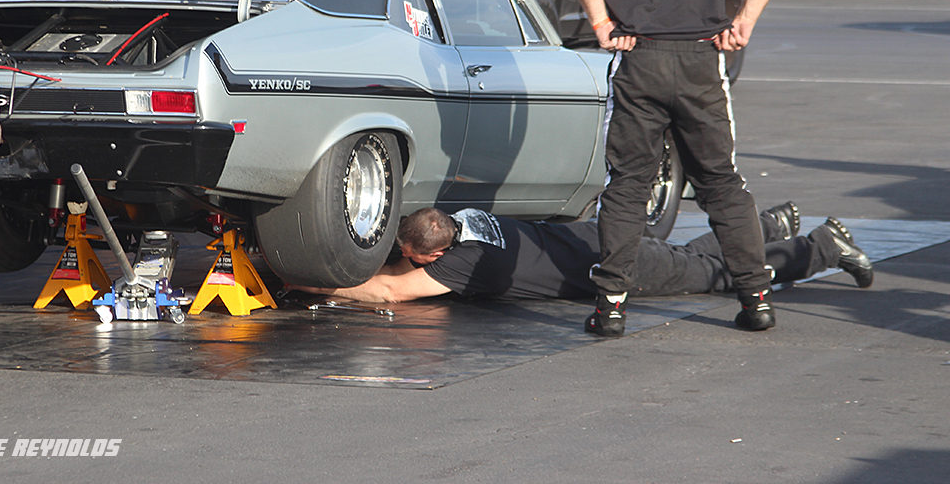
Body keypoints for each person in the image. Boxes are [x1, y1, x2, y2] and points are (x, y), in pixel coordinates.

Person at [566, 0, 788, 337]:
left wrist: (600, 24)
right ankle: (755, 299)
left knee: (627, 185)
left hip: (638, 56)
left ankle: (611, 307)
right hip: (701, 61)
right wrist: (746, 20)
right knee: (720, 181)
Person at [290, 205, 873, 308]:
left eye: (417, 259)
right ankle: (772, 223)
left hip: (609, 267)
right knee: (677, 255)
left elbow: (390, 291)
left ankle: (822, 247)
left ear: (435, 252)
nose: (410, 265)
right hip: (593, 236)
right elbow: (403, 269)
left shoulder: (464, 264)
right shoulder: (457, 217)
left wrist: (319, 284)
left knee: (712, 278)